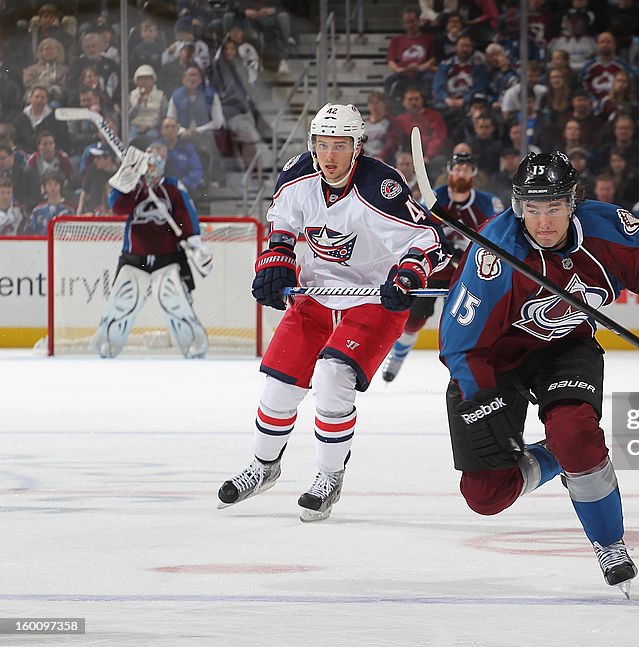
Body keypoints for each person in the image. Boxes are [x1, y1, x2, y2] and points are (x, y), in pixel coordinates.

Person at [438, 151, 639, 594]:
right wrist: (481, 396)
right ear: (517, 207)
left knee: (578, 437)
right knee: (485, 495)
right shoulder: (496, 251)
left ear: (573, 202)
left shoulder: (611, 231)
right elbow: (460, 343)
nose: (543, 222)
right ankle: (553, 457)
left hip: (566, 349)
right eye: (532, 209)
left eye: (554, 208)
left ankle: (609, 543)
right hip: (497, 359)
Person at [217, 103, 450, 522]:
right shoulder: (297, 174)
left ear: (357, 146)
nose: (329, 156)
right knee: (279, 386)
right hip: (316, 296)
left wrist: (408, 275)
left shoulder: (381, 186)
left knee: (331, 377)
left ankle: (328, 476)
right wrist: (277, 260)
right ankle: (264, 466)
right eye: (322, 145)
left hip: (373, 300)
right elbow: (282, 225)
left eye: (339, 146)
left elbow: (428, 241)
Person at [382, 153, 502, 382]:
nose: (461, 173)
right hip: (434, 270)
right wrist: (447, 249)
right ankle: (397, 357)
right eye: (457, 169)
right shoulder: (433, 197)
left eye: (466, 169)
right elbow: (420, 231)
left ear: (474, 174)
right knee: (414, 320)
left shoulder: (488, 203)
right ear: (449, 171)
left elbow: (497, 237)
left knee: (462, 326)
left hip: (467, 275)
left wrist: (467, 253)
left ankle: (462, 370)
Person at [90, 142, 213, 359]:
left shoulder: (173, 187)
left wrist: (196, 245)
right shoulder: (132, 187)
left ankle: (194, 343)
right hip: (134, 256)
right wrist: (126, 176)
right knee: (124, 300)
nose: (153, 168)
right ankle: (107, 343)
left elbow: (186, 216)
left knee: (173, 299)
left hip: (168, 256)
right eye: (150, 162)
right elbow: (116, 206)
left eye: (158, 161)